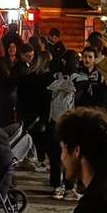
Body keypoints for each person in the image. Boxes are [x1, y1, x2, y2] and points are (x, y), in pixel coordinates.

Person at [47, 50, 79, 200]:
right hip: (70, 120)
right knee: (69, 154)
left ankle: (56, 185)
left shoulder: (55, 77)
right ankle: (69, 187)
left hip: (55, 119)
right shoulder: (79, 78)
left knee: (55, 154)